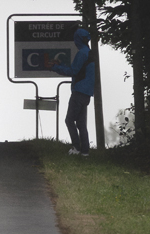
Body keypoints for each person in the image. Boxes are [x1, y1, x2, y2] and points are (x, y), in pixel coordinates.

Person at [50, 28, 95, 157]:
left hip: (78, 91)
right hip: (87, 93)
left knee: (69, 120)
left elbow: (73, 71)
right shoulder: (90, 53)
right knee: (81, 123)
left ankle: (76, 147)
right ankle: (85, 151)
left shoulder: (82, 53)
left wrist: (55, 68)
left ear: (78, 39)